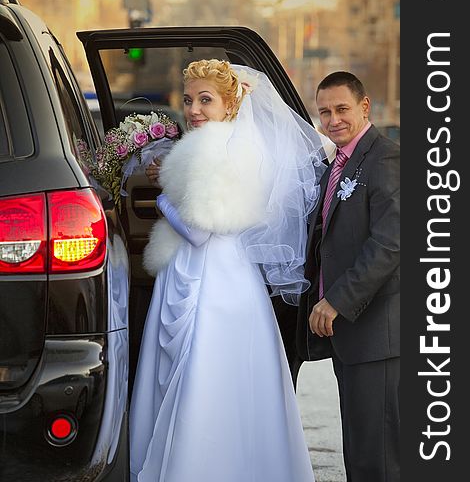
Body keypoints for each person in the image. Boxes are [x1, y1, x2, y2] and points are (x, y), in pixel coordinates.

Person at [129, 59, 328, 482]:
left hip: (210, 275)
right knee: (228, 376)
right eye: (188, 100)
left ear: (230, 104)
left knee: (202, 368)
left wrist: (164, 196)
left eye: (206, 100)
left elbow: (199, 230)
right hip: (227, 272)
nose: (194, 110)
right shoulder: (240, 145)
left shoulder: (218, 148)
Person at [296, 71, 400, 482]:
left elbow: (390, 245)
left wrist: (337, 299)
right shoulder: (335, 165)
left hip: (378, 332)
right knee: (359, 448)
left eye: (341, 109)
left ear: (364, 106)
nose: (333, 119)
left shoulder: (386, 159)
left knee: (380, 455)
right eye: (324, 112)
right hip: (352, 337)